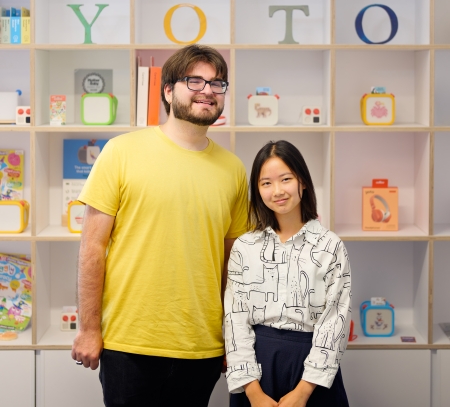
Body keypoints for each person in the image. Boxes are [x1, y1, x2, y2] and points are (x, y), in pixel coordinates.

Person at [71, 44, 249, 407]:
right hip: (128, 341)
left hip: (201, 344)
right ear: (168, 91)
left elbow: (234, 265)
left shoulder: (233, 169)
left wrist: (235, 338)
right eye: (194, 80)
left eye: (217, 84)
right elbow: (92, 248)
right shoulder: (121, 152)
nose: (208, 90)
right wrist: (89, 329)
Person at [224, 140, 351, 407]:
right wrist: (253, 392)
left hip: (313, 373)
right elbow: (235, 321)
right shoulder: (244, 247)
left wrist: (303, 392)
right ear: (257, 191)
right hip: (256, 372)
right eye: (266, 183)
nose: (277, 191)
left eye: (286, 179)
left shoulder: (330, 245)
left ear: (302, 182)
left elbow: (334, 323)